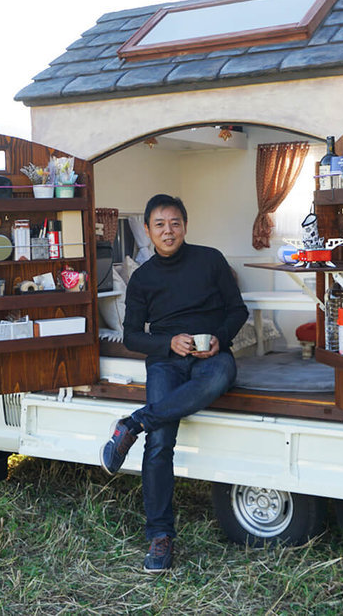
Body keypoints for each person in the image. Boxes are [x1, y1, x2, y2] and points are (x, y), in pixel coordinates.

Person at [100, 194, 248, 573]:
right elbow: (132, 336)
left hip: (210, 355)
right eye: (160, 224)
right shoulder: (143, 278)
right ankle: (160, 536)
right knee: (161, 441)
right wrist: (167, 342)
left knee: (219, 377)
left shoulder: (210, 260)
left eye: (175, 223)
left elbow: (238, 310)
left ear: (185, 225)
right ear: (148, 231)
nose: (169, 230)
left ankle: (132, 423)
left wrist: (218, 338)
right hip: (166, 361)